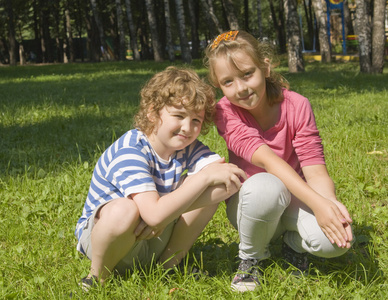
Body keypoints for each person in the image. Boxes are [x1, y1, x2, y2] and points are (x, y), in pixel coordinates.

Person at [204, 30, 354, 292]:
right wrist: (317, 204)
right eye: (228, 82)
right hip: (252, 205)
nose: (241, 88)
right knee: (266, 185)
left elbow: (315, 169)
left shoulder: (298, 105)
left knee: (334, 242)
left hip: (296, 197)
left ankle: (293, 245)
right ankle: (251, 257)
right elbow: (269, 162)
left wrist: (328, 205)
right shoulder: (225, 113)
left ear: (265, 67)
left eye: (248, 74)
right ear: (218, 85)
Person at [74, 66, 246, 291]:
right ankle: (97, 277)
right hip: (112, 243)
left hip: (154, 235)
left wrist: (164, 215)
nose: (187, 127)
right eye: (178, 116)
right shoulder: (130, 150)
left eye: (196, 120)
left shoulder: (187, 147)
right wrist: (201, 179)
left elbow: (229, 180)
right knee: (125, 209)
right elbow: (154, 215)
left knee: (218, 182)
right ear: (153, 113)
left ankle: (168, 265)